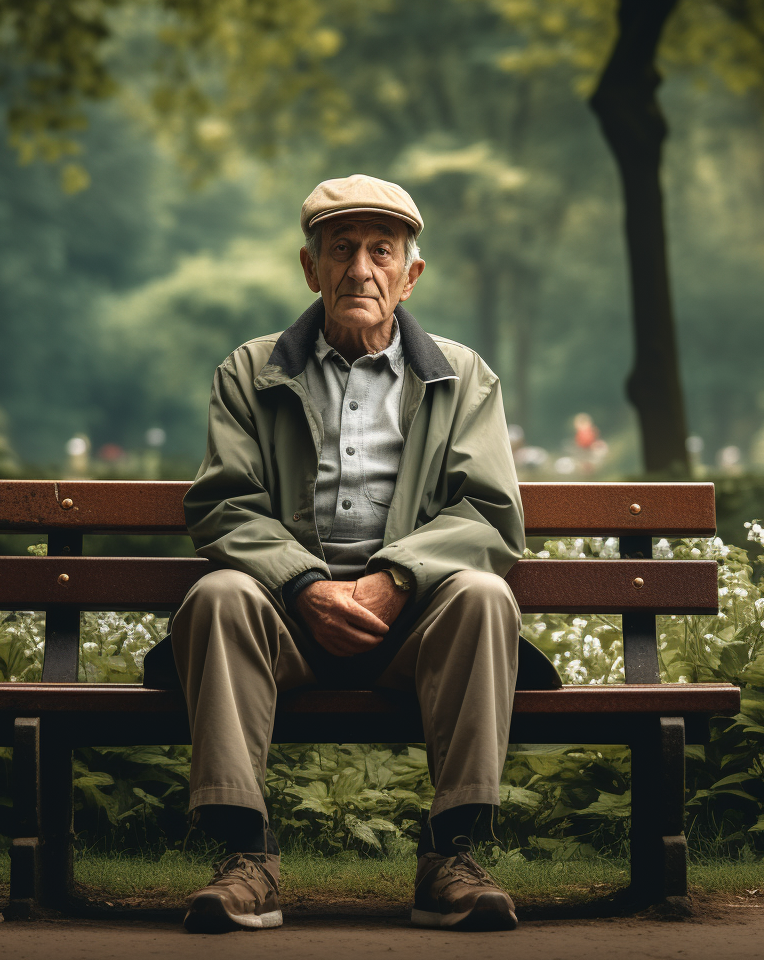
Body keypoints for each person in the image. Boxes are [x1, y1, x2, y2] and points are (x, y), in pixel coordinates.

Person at [155, 174, 555, 933]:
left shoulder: (462, 377)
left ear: (411, 275)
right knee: (217, 596)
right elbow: (223, 505)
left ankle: (451, 854)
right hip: (284, 623)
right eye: (341, 249)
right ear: (311, 268)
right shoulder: (251, 371)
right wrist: (304, 583)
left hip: (414, 628)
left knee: (483, 594)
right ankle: (247, 858)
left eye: (382, 250)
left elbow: (490, 510)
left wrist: (397, 578)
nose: (360, 269)